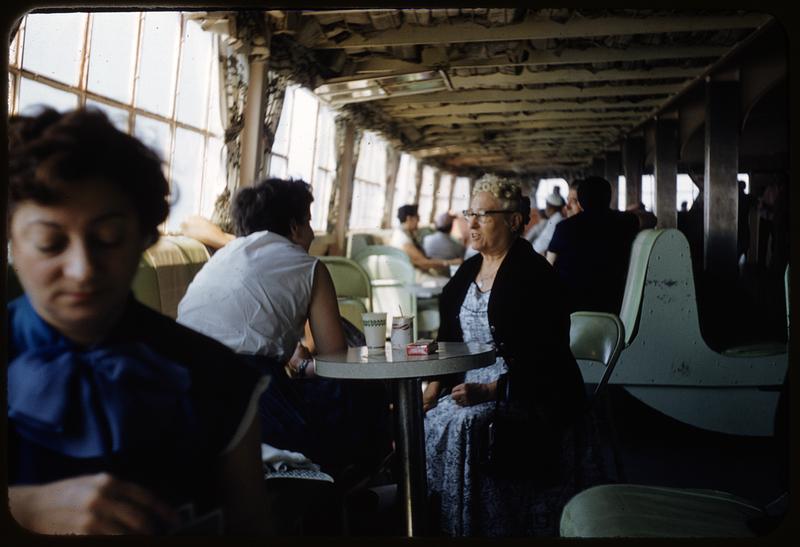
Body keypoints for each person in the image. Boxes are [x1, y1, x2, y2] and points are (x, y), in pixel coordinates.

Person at [7, 107, 270, 534]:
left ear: (145, 237)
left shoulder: (220, 377)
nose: (82, 269)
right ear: (13, 243)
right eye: (49, 243)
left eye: (108, 239)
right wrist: (24, 509)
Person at [177, 178, 390, 476]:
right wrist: (304, 367)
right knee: (362, 395)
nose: (313, 233)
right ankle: (358, 490)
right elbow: (336, 362)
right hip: (248, 392)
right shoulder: (310, 267)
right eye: (309, 222)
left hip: (178, 387)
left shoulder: (225, 253)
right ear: (294, 227)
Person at [422, 174, 585, 536]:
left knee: (462, 424)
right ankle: (444, 523)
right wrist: (434, 385)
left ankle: (484, 526)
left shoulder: (535, 276)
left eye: (483, 214)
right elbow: (448, 335)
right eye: (469, 214)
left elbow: (548, 356)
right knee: (426, 416)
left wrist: (492, 390)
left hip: (524, 389)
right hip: (467, 382)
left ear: (513, 220)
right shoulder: (468, 271)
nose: (472, 223)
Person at [547, 176, 640, 313]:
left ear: (581, 201)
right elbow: (652, 219)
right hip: (614, 305)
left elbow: (548, 267)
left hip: (571, 307)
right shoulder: (626, 222)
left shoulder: (564, 227)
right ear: (609, 197)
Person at [390, 204, 461, 277]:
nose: (419, 220)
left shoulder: (404, 234)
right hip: (413, 277)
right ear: (409, 218)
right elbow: (423, 263)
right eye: (417, 217)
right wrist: (451, 262)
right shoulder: (402, 239)